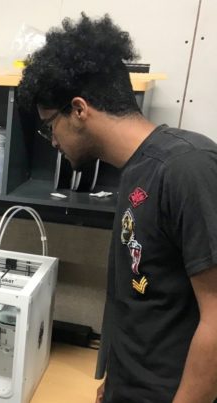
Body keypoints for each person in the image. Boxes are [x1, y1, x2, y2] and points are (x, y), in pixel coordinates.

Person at [17, 13, 217, 403]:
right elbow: (144, 294)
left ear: (79, 110)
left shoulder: (187, 168)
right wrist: (114, 379)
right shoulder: (134, 170)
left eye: (48, 126)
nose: (50, 140)